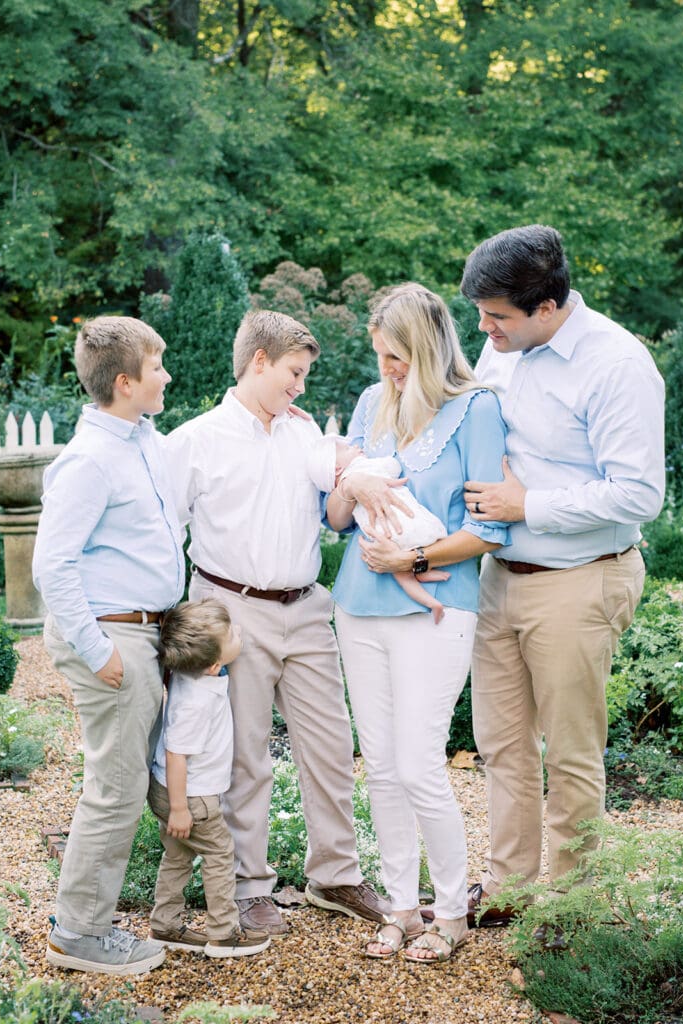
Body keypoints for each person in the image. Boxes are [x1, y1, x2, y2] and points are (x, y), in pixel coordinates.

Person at [459, 224, 665, 925]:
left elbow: (640, 494)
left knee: (571, 754)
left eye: (497, 317)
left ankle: (569, 913)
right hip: (499, 576)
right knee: (501, 746)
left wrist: (529, 504)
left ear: (548, 306)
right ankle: (512, 890)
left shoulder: (617, 365)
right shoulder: (503, 354)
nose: (483, 330)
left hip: (581, 576)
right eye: (480, 314)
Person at [163, 309, 391, 936]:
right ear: (258, 361)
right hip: (232, 610)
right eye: (294, 373)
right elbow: (165, 531)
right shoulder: (195, 441)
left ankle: (336, 876)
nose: (300, 386)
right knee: (245, 756)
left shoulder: (302, 432)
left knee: (330, 746)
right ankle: (249, 884)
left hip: (307, 606)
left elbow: (337, 500)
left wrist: (358, 475)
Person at [326, 282, 509, 963]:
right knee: (380, 766)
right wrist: (353, 485)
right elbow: (336, 513)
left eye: (397, 356)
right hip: (357, 604)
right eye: (380, 355)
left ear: (429, 347)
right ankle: (402, 907)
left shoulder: (478, 410)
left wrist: (415, 553)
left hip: (439, 607)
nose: (387, 369)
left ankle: (453, 912)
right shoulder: (374, 403)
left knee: (421, 764)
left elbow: (490, 528)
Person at [32, 315, 185, 975]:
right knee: (116, 787)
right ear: (125, 383)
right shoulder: (90, 461)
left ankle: (86, 915)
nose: (168, 376)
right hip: (111, 632)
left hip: (144, 628)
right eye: (157, 367)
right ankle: (80, 932)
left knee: (126, 782)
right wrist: (102, 653)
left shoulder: (142, 440)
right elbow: (52, 566)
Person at [147, 598, 270, 959]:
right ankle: (223, 933)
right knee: (219, 854)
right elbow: (176, 754)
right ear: (215, 662)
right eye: (233, 634)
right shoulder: (196, 702)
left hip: (169, 790)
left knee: (178, 855)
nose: (240, 633)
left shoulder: (193, 673)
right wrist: (180, 808)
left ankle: (165, 924)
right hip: (190, 796)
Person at [309, 436, 451, 622]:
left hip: (382, 534)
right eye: (347, 449)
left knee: (401, 573)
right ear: (338, 468)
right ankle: (425, 575)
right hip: (401, 520)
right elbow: (393, 466)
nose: (356, 446)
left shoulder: (348, 480)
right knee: (431, 538)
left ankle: (430, 599)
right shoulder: (362, 469)